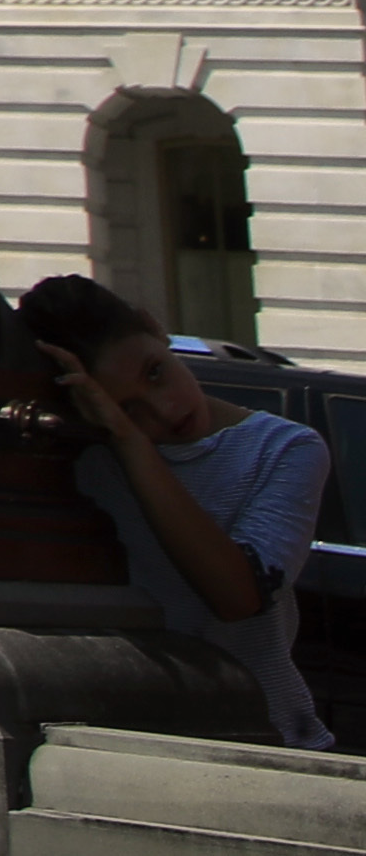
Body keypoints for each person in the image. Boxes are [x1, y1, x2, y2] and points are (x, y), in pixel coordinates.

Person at [18, 272, 337, 750]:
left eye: (155, 371)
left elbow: (237, 597)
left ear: (156, 328)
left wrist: (129, 439)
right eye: (128, 408)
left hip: (267, 738)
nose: (165, 411)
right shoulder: (82, 463)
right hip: (122, 739)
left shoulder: (283, 449)